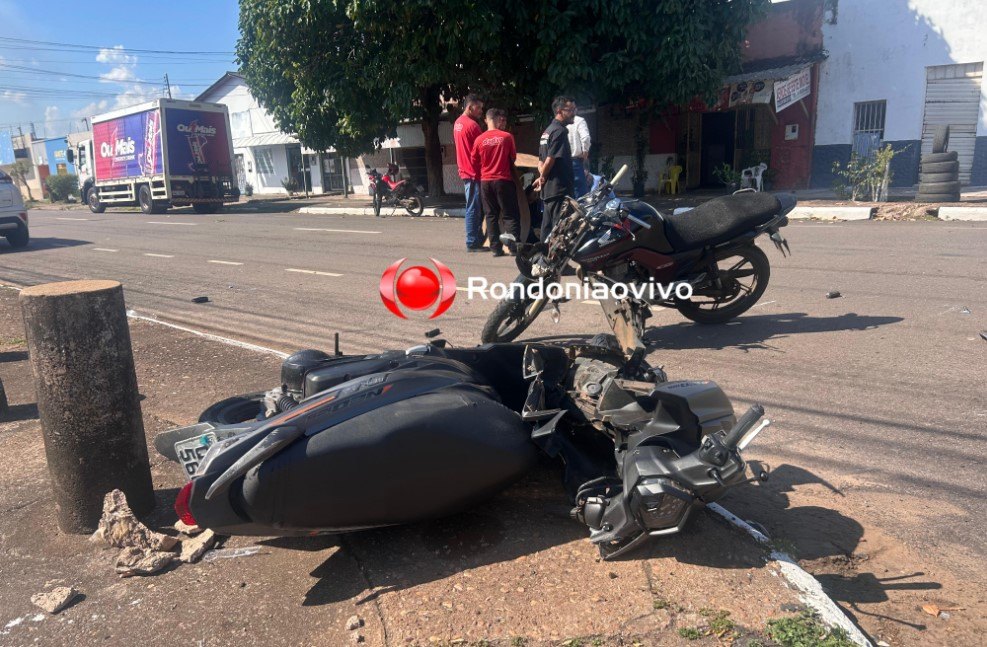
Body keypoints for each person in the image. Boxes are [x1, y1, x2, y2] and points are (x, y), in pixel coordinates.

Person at [471, 108, 520, 257]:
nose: (503, 122)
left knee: (491, 215)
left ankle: (496, 249)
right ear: (496, 119)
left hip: (485, 182)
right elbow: (513, 158)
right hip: (503, 180)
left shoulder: (479, 139)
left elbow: (474, 161)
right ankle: (512, 248)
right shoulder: (506, 137)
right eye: (502, 120)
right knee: (509, 215)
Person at [533, 96, 575, 242]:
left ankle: (543, 258)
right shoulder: (559, 131)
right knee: (559, 228)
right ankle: (554, 261)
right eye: (570, 110)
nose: (574, 113)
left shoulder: (547, 131)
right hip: (559, 188)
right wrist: (543, 176)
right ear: (559, 111)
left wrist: (542, 176)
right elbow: (550, 158)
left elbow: (540, 160)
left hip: (549, 190)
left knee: (547, 227)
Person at [454, 94, 485, 252]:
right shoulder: (473, 125)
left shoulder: (458, 123)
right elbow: (482, 149)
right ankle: (472, 242)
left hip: (466, 171)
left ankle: (478, 239)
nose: (481, 111)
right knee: (473, 208)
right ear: (470, 106)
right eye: (478, 108)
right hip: (474, 172)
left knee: (474, 207)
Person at [567, 106, 591, 198]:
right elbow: (585, 138)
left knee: (567, 196)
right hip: (575, 162)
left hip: (561, 163)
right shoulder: (579, 120)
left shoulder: (560, 123)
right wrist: (585, 152)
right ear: (575, 109)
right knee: (581, 198)